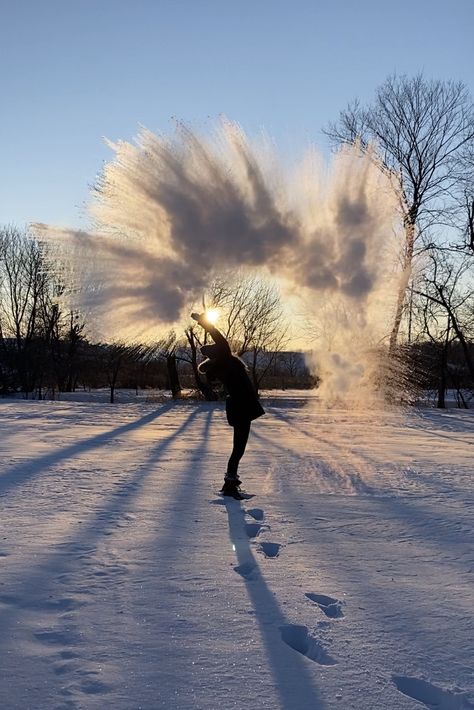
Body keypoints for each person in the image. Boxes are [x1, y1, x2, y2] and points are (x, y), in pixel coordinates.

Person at [191, 312, 265, 499]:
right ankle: (230, 484)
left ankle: (230, 483)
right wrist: (203, 321)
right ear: (218, 353)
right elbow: (218, 335)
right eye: (218, 347)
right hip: (241, 407)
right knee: (238, 448)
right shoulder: (225, 360)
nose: (221, 346)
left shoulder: (222, 366)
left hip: (238, 407)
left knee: (238, 448)